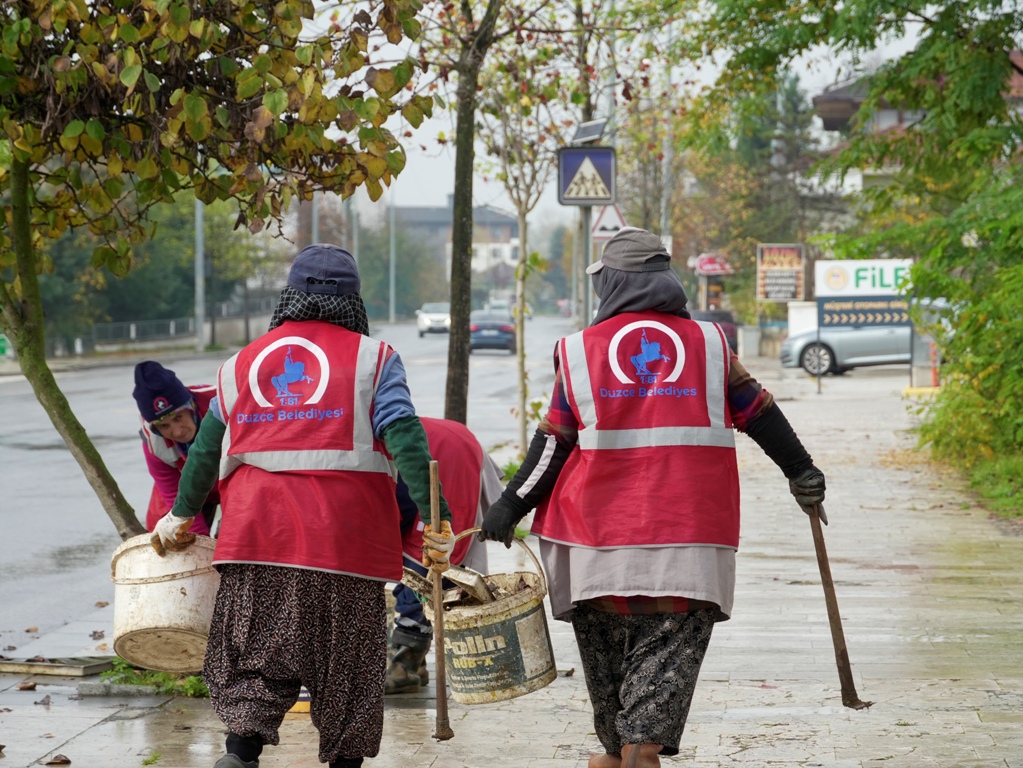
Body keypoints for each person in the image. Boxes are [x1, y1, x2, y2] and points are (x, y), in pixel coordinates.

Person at [478, 227, 827, 768]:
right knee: (648, 711)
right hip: (688, 547)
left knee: (614, 711)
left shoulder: (579, 351)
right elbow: (759, 412)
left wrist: (510, 504)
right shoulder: (710, 345)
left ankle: (624, 754)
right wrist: (801, 471)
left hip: (593, 551)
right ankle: (636, 753)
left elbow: (554, 442)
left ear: (612, 284)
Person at [150, 243, 455, 768]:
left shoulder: (241, 363)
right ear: (353, 302)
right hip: (345, 550)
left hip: (255, 544)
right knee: (347, 674)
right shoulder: (374, 359)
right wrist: (437, 516)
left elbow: (203, 451)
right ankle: (344, 759)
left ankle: (241, 752)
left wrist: (178, 515)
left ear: (289, 297)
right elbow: (406, 439)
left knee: (255, 659)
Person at [385, 416, 504, 694]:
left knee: (430, 556)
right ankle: (413, 658)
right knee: (410, 556)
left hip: (445, 455)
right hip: (424, 451)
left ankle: (405, 662)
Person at [132, 361, 219, 536]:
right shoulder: (154, 444)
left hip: (233, 477)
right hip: (186, 486)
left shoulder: (223, 405)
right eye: (164, 426)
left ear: (191, 406)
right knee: (170, 536)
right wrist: (199, 545)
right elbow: (174, 497)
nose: (178, 432)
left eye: (179, 417)